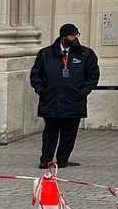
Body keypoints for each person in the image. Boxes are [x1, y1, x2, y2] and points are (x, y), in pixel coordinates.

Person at [29, 23, 101, 169]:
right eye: (72, 35)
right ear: (63, 37)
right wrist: (41, 90)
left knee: (69, 133)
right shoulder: (45, 54)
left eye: (76, 35)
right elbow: (36, 74)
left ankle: (62, 159)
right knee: (50, 131)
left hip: (74, 100)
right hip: (51, 99)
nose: (75, 38)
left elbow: (93, 75)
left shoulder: (85, 54)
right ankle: (46, 159)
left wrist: (83, 92)